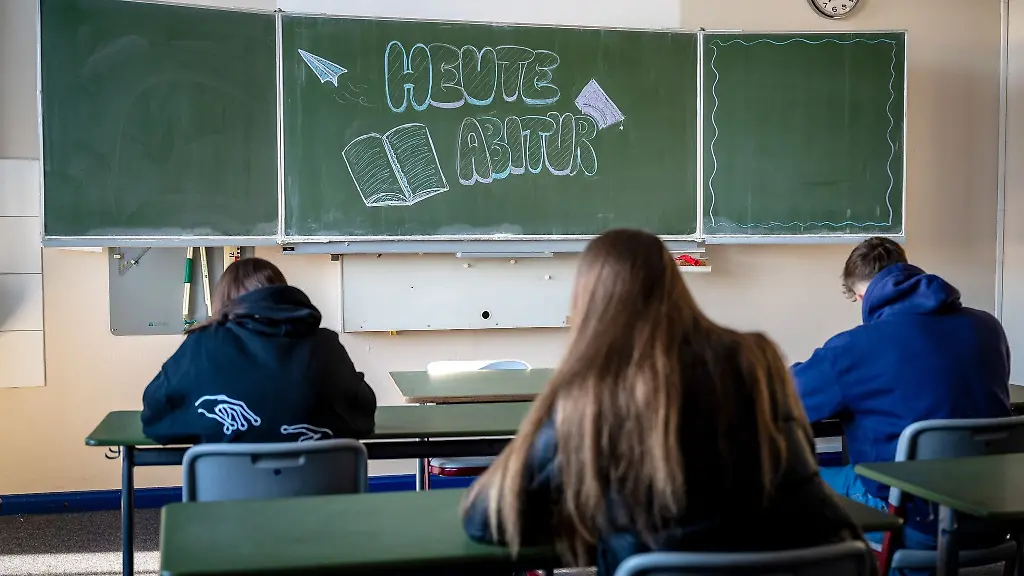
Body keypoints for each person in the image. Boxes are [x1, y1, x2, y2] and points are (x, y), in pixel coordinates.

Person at [461, 229, 873, 576]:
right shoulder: (757, 359)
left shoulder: (591, 393)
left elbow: (485, 519)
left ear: (587, 303)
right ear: (674, 287)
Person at [791, 237, 1011, 550]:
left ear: (863, 294)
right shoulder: (988, 328)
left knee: (792, 481)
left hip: (911, 523)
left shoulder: (853, 348)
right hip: (997, 514)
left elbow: (781, 397)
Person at [141, 257, 377, 444]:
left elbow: (155, 415)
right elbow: (363, 414)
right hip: (319, 500)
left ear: (222, 300)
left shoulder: (202, 345)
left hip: (226, 501)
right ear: (282, 294)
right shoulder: (325, 345)